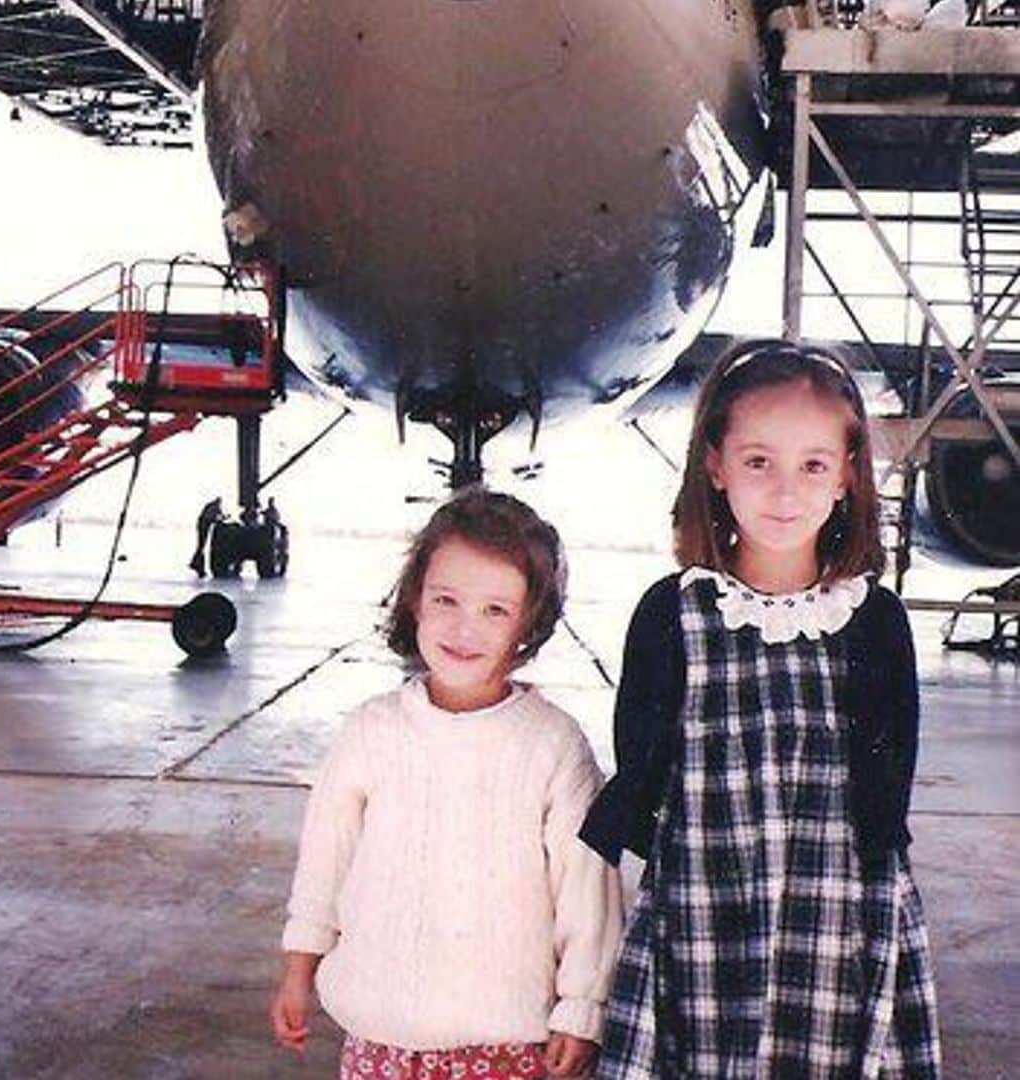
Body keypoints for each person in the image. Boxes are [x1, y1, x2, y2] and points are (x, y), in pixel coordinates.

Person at [580, 340, 941, 1078]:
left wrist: (881, 923)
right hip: (706, 915)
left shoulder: (873, 621)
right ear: (714, 465)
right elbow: (641, 767)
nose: (785, 490)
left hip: (838, 921)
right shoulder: (672, 616)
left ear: (847, 475)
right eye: (757, 461)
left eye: (813, 464)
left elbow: (887, 786)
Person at [271, 487, 622, 1079]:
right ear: (414, 601)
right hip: (379, 1039)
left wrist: (582, 1006)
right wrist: (298, 971)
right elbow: (325, 862)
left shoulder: (554, 745)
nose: (465, 628)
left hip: (506, 1046)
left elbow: (586, 893)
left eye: (495, 610)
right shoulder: (370, 730)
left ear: (529, 623)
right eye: (447, 600)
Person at [189, 496, 223, 577]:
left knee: (201, 546)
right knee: (201, 546)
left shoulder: (213, 507)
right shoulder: (213, 507)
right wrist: (219, 519)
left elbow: (219, 515)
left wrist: (221, 517)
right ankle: (196, 564)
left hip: (203, 526)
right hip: (203, 527)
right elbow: (210, 517)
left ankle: (196, 563)